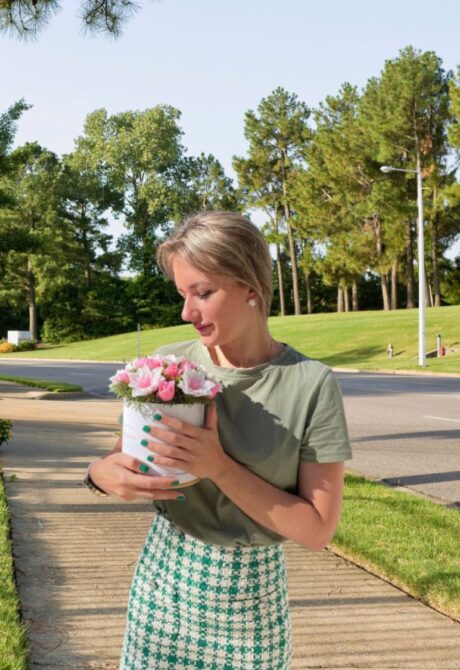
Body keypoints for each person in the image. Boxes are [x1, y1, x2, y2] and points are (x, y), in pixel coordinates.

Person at [86, 210, 352, 670]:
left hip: (251, 600)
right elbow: (120, 457)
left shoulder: (311, 385)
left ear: (251, 286)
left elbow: (317, 529)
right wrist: (99, 475)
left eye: (203, 293)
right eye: (183, 294)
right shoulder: (165, 367)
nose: (187, 312)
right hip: (164, 581)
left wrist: (218, 466)